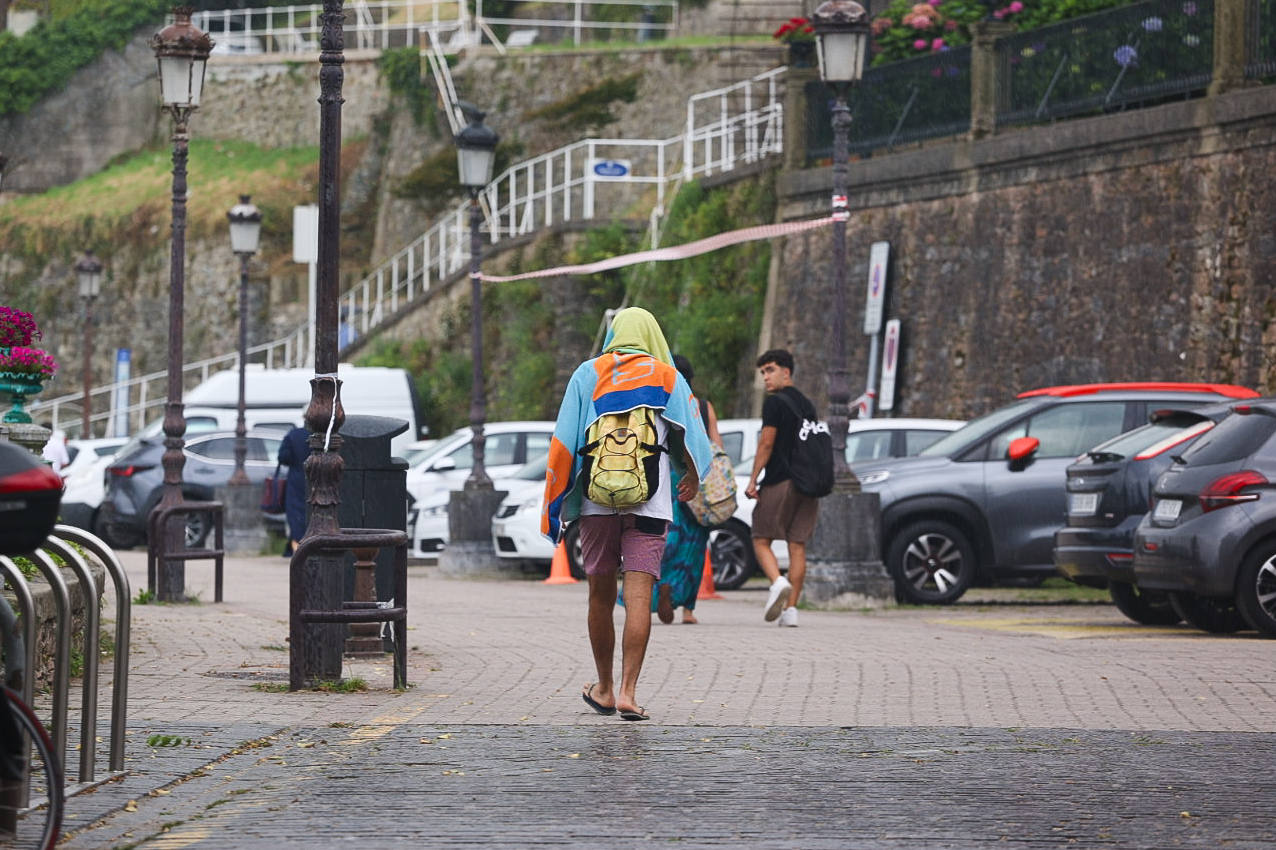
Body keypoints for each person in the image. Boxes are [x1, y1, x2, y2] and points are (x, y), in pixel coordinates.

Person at [542, 307, 712, 722]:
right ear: (652, 335)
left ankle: (602, 687)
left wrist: (556, 503)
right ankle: (628, 693)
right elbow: (692, 433)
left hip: (598, 504)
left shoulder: (588, 373)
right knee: (639, 598)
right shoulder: (666, 375)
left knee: (600, 596)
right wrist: (690, 476)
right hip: (650, 502)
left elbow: (564, 440)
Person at [744, 349, 819, 627]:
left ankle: (777, 582)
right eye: (763, 372)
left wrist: (753, 479)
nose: (766, 377)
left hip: (780, 480)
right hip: (808, 484)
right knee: (797, 545)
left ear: (786, 372)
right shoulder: (807, 405)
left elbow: (766, 443)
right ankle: (791, 612)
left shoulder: (775, 404)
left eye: (770, 370)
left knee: (760, 538)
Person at [648, 354, 721, 625]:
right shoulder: (702, 406)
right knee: (695, 546)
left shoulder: (661, 403)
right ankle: (688, 610)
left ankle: (654, 592)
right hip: (697, 484)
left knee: (664, 541)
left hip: (669, 483)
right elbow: (716, 447)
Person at [277, 425, 311, 555]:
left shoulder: (293, 435)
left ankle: (297, 549)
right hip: (316, 479)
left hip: (296, 480)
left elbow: (283, 457)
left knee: (296, 515)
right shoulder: (324, 435)